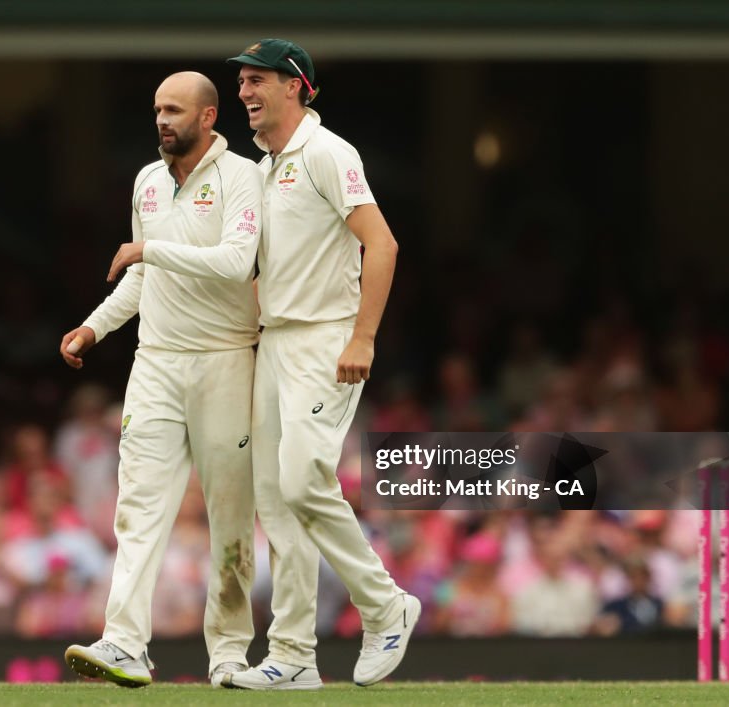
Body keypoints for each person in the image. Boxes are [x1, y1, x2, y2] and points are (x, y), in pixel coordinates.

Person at [225, 39, 420, 690]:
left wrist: (362, 337)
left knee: (305, 479)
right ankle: (294, 655)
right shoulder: (266, 164)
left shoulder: (327, 152)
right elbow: (269, 270)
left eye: (258, 81)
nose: (245, 92)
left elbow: (382, 243)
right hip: (276, 343)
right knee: (278, 501)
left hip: (326, 340)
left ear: (294, 86)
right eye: (242, 82)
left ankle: (385, 604)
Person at [61, 71, 262, 688]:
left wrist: (150, 250)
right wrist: (94, 327)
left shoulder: (243, 177)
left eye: (174, 110)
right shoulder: (148, 181)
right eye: (156, 110)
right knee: (139, 506)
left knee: (229, 513)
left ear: (208, 118)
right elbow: (143, 281)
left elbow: (236, 264)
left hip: (225, 358)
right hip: (155, 361)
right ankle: (124, 643)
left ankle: (229, 654)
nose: (161, 120)